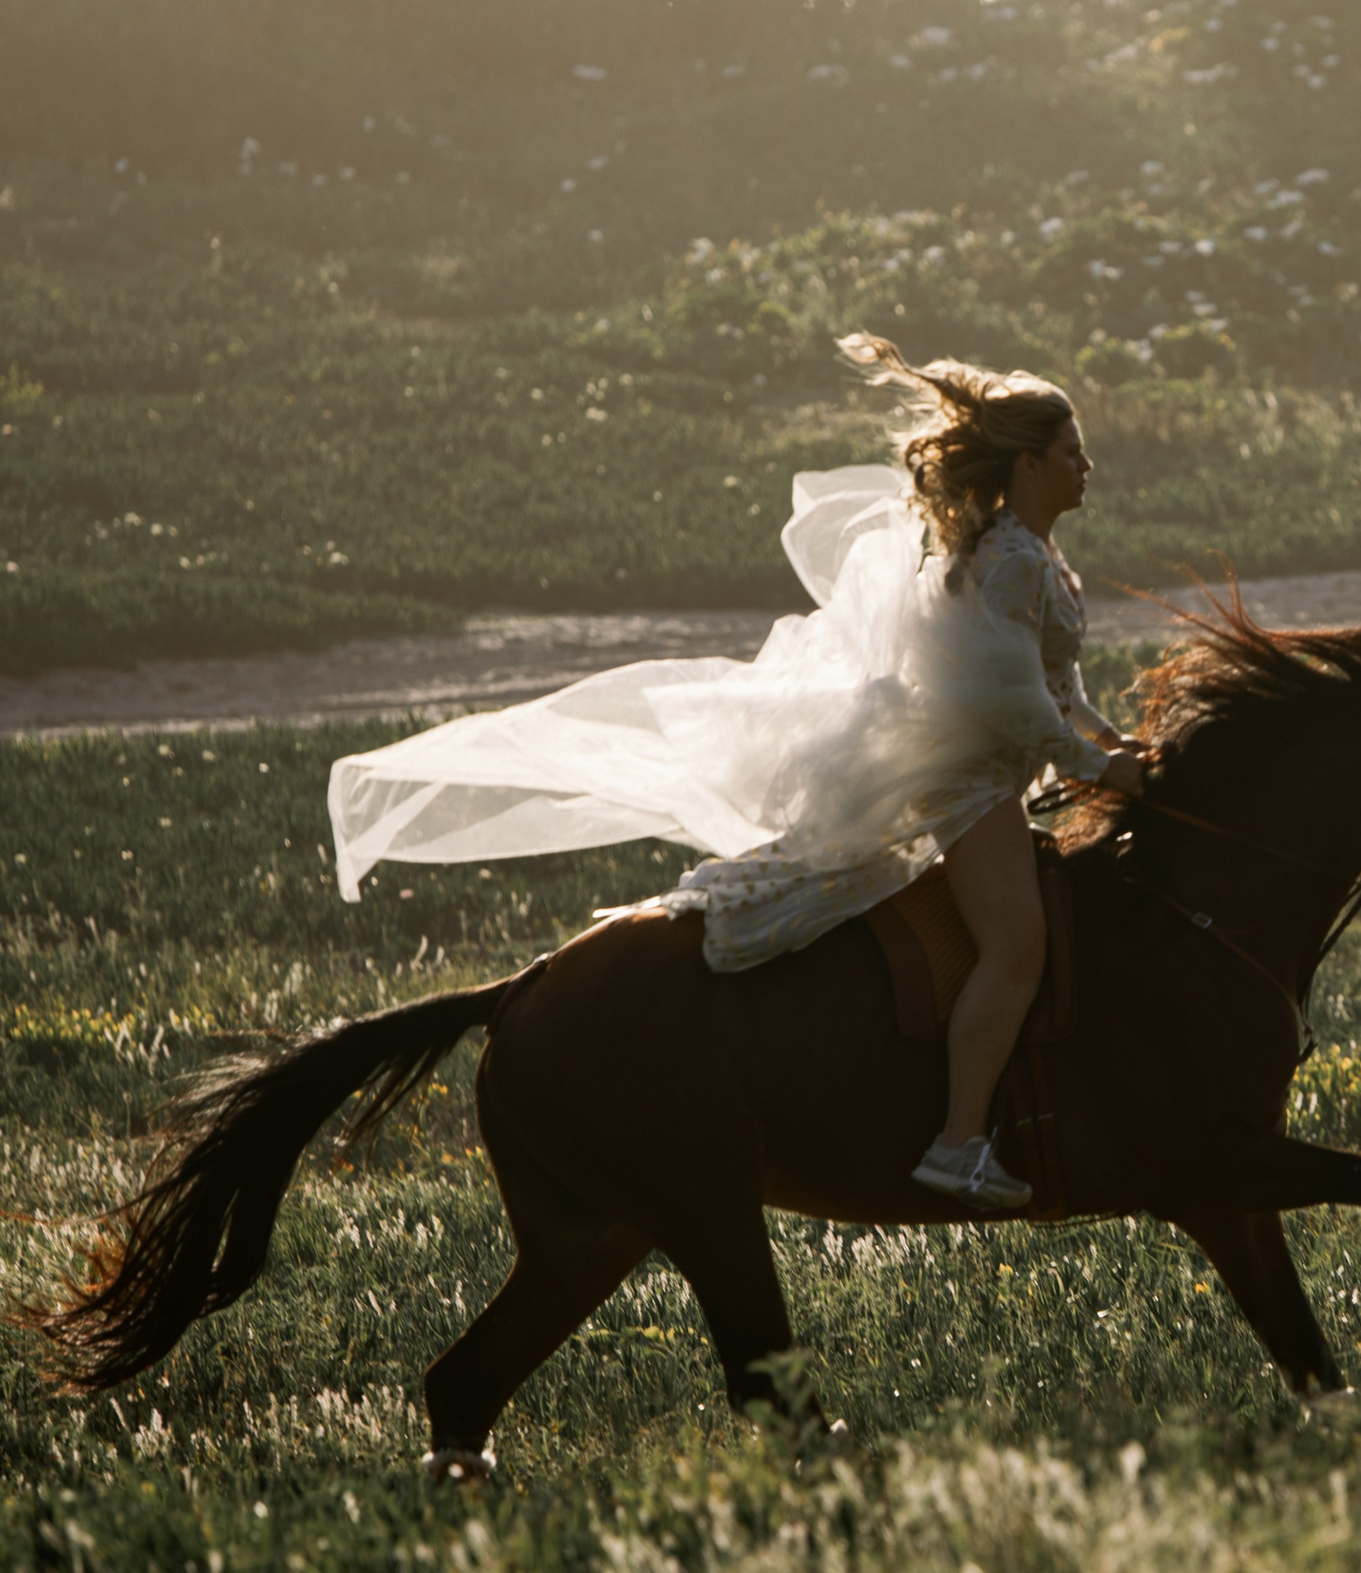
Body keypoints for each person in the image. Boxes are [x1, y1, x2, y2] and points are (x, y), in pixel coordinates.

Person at [325, 334, 1143, 1211]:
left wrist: (1111, 741)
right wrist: (1093, 764)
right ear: (1029, 463)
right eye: (1072, 451)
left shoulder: (1042, 557)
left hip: (1000, 765)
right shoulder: (1012, 557)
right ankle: (958, 1143)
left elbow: (1058, 683)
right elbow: (1014, 702)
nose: (1087, 464)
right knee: (1017, 946)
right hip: (974, 779)